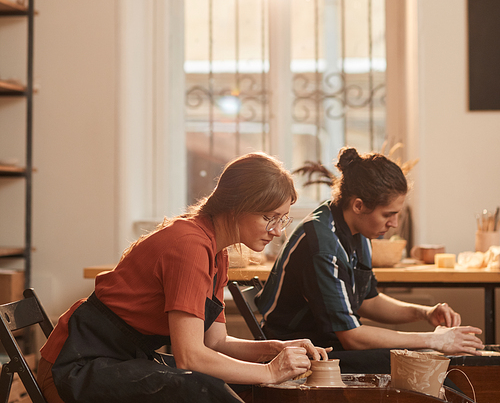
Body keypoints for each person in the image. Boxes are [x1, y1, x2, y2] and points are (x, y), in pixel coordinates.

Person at [38, 153, 329, 403]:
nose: (277, 230)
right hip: (77, 367)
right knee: (200, 388)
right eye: (269, 217)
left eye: (283, 218)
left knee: (239, 382)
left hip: (120, 359)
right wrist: (270, 371)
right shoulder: (189, 245)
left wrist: (276, 349)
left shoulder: (218, 252)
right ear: (236, 206)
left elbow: (215, 344)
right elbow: (190, 358)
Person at [256, 147, 483, 372]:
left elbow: (367, 299)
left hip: (329, 343)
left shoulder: (357, 229)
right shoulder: (322, 246)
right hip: (302, 351)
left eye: (396, 214)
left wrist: (424, 313)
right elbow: (353, 338)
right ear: (358, 205)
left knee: (425, 362)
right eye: (388, 214)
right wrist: (434, 340)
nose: (394, 223)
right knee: (417, 365)